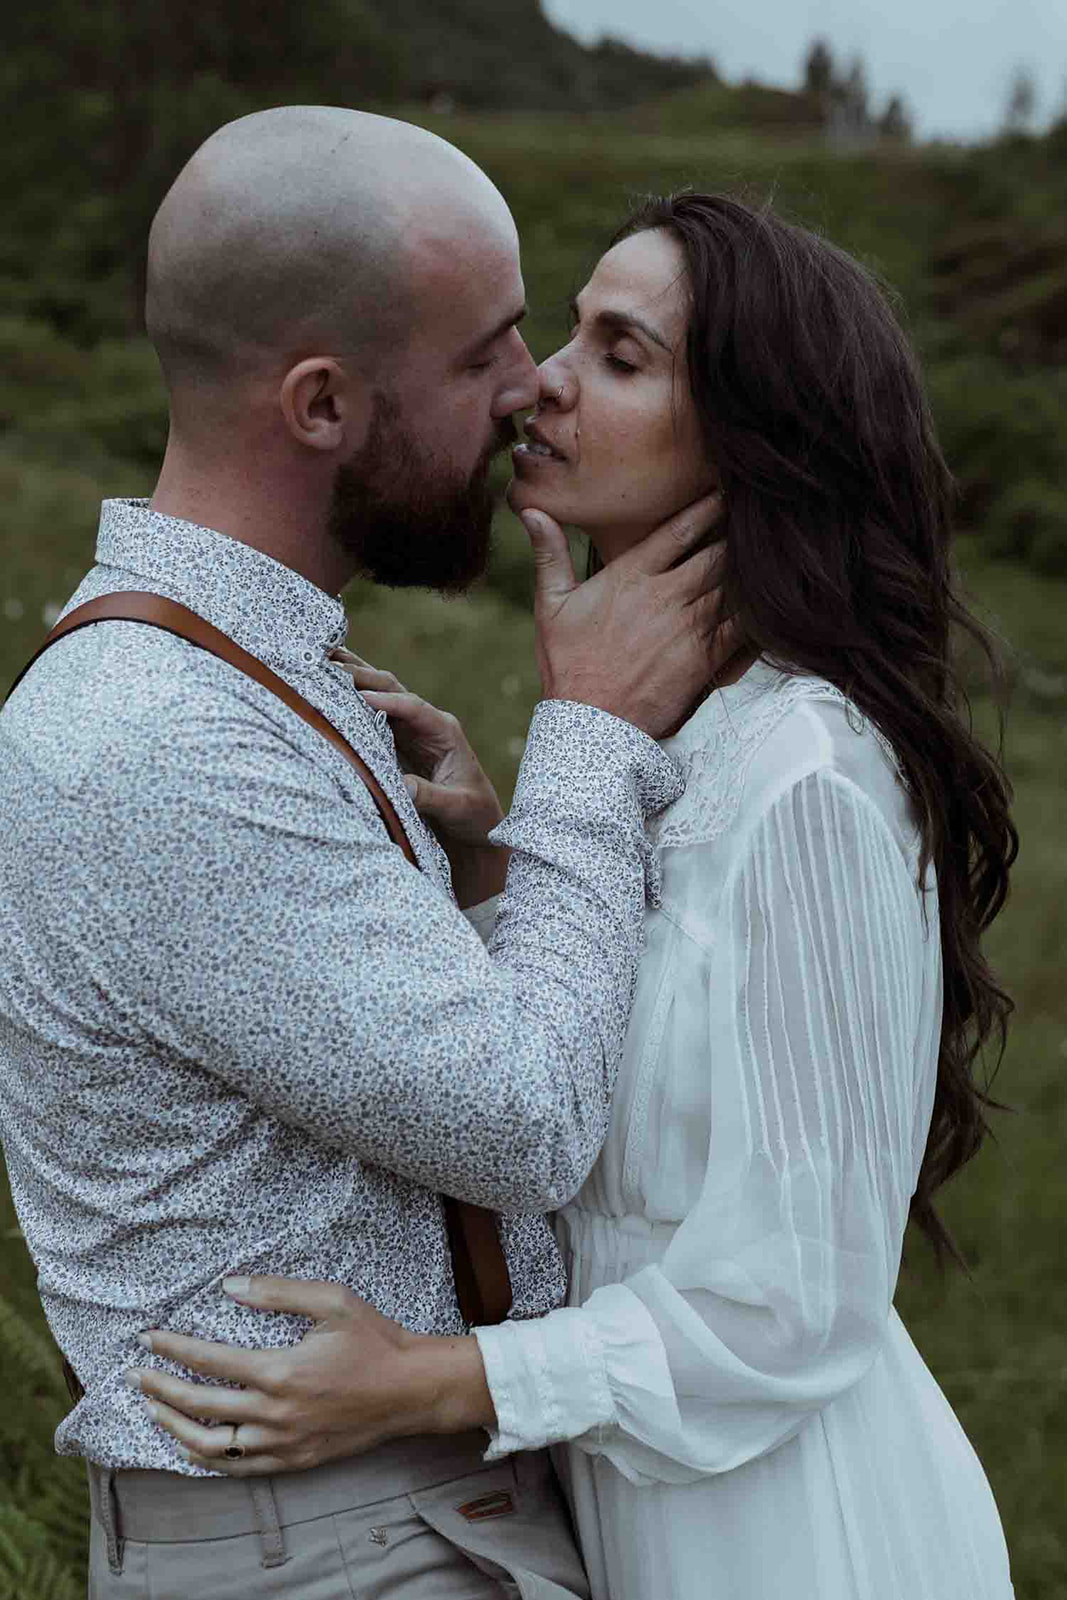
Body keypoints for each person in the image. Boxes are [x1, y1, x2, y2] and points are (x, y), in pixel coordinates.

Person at [137, 195, 1020, 1598]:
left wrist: (434, 1382)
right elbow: (584, 1090)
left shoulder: (807, 774)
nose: (543, 377)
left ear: (752, 437)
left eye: (620, 353)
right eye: (569, 331)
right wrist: (511, 864)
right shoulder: (670, 745)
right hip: (639, 1513)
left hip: (794, 1534)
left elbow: (802, 1298)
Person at [0, 112, 734, 1599]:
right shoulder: (160, 739)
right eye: (483, 354)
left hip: (387, 1516)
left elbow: (394, 1064)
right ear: (322, 406)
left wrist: (483, 866)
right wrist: (584, 741)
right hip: (334, 1544)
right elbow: (527, 1125)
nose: (531, 387)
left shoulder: (252, 680)